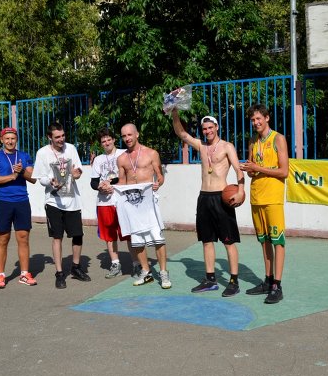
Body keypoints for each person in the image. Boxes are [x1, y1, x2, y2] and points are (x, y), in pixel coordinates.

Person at [171, 108, 245, 297]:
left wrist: (241, 191)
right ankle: (210, 279)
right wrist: (174, 113)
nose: (208, 131)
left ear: (217, 127)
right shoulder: (201, 146)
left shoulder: (227, 146)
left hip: (222, 197)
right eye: (204, 129)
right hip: (204, 197)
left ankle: (234, 281)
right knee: (207, 241)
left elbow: (238, 170)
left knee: (228, 242)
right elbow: (181, 133)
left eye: (210, 128)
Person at [239, 104, 289, 304]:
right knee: (264, 241)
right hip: (256, 197)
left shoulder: (278, 139)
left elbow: (284, 171)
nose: (256, 123)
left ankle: (277, 285)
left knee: (278, 241)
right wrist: (249, 170)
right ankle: (268, 281)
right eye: (253, 120)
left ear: (267, 118)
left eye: (259, 118)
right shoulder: (252, 141)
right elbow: (253, 168)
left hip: (273, 198)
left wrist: (258, 167)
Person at [32, 122, 90, 289]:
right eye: (57, 137)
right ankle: (59, 273)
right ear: (50, 137)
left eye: (63, 136)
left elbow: (77, 170)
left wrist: (77, 173)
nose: (61, 139)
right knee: (57, 236)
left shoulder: (71, 148)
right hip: (53, 201)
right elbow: (40, 178)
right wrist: (50, 181)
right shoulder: (42, 153)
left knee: (78, 235)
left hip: (73, 200)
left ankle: (76, 268)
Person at [116, 123, 171, 289]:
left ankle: (163, 273)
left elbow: (160, 176)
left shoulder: (151, 153)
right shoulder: (122, 158)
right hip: (132, 205)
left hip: (148, 202)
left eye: (130, 135)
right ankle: (146, 272)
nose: (127, 138)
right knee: (137, 240)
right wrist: (110, 187)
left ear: (137, 134)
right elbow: (121, 182)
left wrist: (157, 184)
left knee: (157, 238)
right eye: (124, 136)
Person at [0, 127, 37, 288]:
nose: (10, 141)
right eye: (7, 138)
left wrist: (21, 172)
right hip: (3, 202)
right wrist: (12, 176)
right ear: (2, 140)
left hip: (22, 201)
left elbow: (34, 178)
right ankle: (1, 275)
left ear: (16, 140)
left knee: (23, 238)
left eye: (12, 138)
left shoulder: (24, 156)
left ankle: (24, 274)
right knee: (3, 238)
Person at [90, 127, 143, 280]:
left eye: (108, 139)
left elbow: (127, 174)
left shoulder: (123, 154)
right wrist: (100, 186)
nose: (106, 142)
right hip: (104, 203)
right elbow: (93, 182)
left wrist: (110, 182)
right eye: (103, 141)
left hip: (122, 200)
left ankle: (136, 264)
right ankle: (115, 264)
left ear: (114, 139)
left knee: (128, 233)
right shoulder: (98, 160)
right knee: (109, 236)